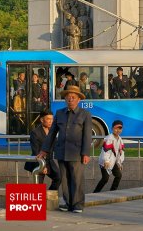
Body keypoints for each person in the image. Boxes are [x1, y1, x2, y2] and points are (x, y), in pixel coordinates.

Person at [37, 85, 92, 213]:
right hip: (61, 151)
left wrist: (85, 153)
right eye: (68, 97)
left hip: (76, 152)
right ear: (65, 99)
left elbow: (87, 136)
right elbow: (51, 134)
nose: (70, 99)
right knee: (65, 179)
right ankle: (68, 203)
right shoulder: (60, 113)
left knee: (76, 179)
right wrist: (44, 150)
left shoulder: (85, 114)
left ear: (78, 100)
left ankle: (77, 204)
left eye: (73, 97)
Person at [24, 110, 61, 190]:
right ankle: (39, 201)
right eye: (48, 119)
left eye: (52, 119)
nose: (51, 121)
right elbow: (35, 151)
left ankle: (48, 196)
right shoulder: (35, 132)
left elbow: (56, 146)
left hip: (50, 161)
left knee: (58, 178)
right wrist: (42, 166)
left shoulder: (53, 131)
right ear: (41, 120)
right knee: (39, 186)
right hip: (38, 161)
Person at [93, 120, 125, 193]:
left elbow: (120, 152)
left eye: (120, 128)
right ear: (112, 129)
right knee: (105, 179)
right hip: (105, 161)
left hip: (113, 162)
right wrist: (106, 161)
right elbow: (106, 151)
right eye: (116, 128)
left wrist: (120, 163)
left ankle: (113, 191)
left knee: (118, 175)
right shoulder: (109, 138)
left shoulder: (120, 139)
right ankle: (95, 193)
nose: (118, 130)